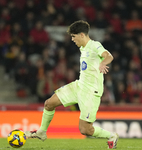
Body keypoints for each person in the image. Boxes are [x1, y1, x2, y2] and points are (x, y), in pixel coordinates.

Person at [25, 20, 119, 149]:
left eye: (74, 36)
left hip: (91, 92)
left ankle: (111, 135)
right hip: (79, 85)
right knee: (49, 103)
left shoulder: (94, 45)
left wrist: (103, 63)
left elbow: (108, 55)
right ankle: (41, 132)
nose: (72, 39)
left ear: (81, 35)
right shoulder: (83, 48)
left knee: (85, 129)